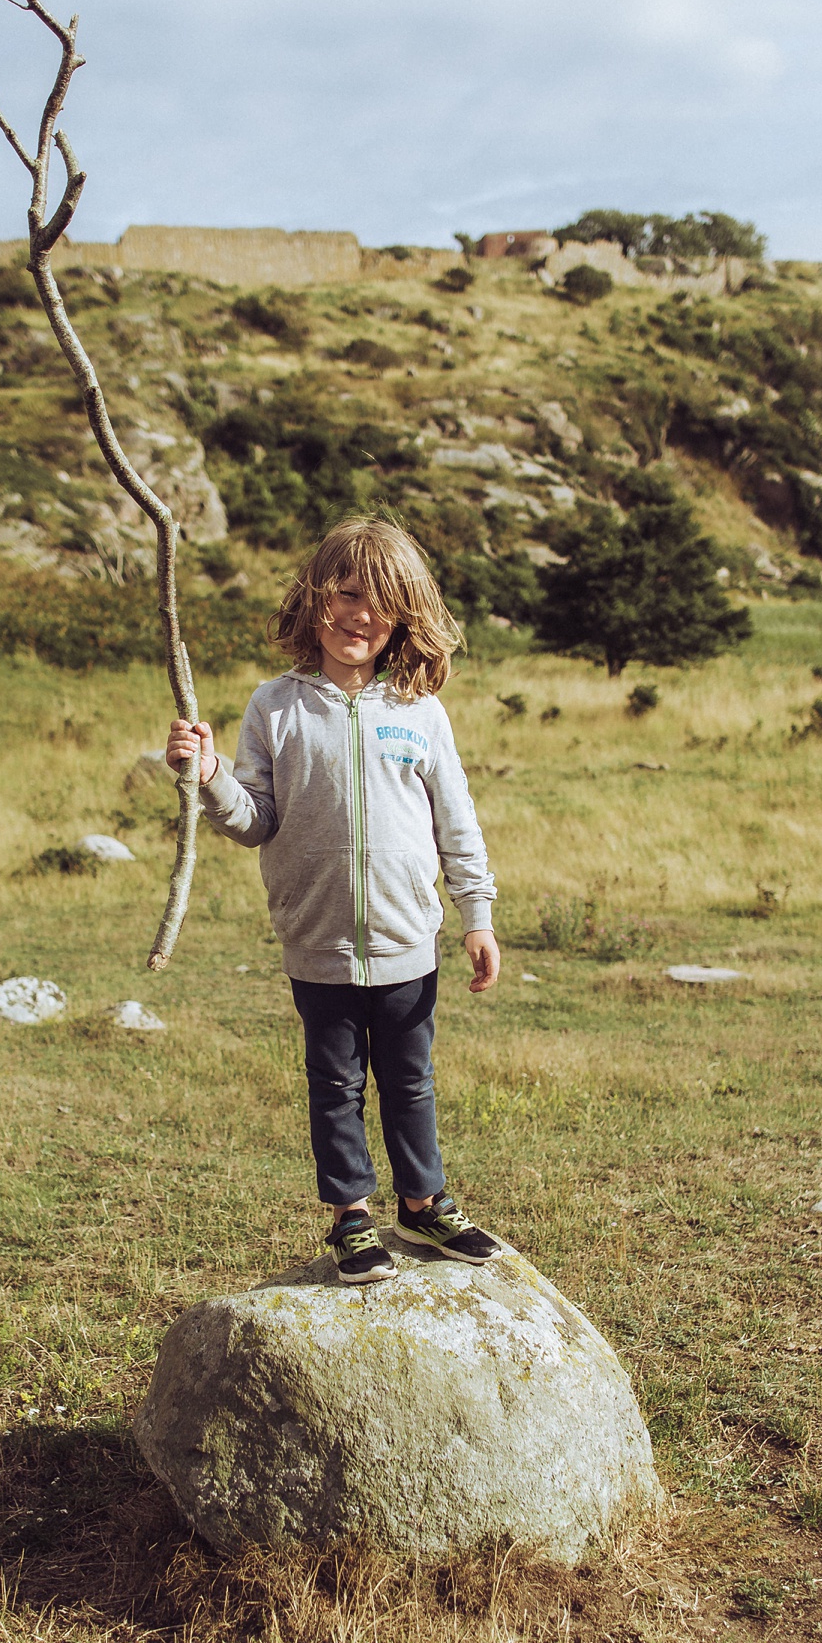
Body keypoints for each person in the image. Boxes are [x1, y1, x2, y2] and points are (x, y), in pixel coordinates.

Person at [166, 515, 503, 1285]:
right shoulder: (275, 708)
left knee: (410, 1078)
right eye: (347, 593)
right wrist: (209, 774)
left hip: (408, 941)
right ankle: (352, 1216)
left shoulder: (419, 712)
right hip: (317, 944)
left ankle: (422, 1205)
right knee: (335, 1083)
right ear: (315, 598)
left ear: (403, 620)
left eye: (382, 603)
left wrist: (476, 915)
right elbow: (254, 821)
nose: (361, 615)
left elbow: (457, 822)